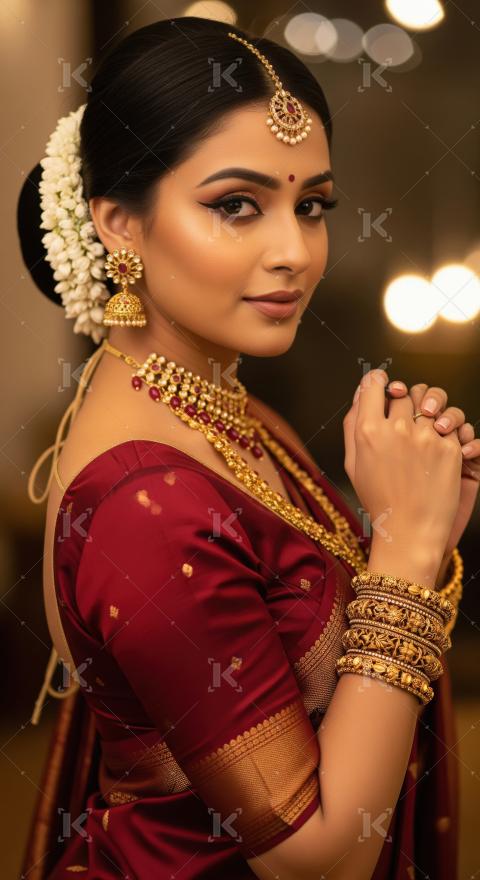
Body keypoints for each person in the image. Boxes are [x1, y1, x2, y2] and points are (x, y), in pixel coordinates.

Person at [16, 16, 479, 880]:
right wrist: (407, 556)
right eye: (236, 205)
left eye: (311, 206)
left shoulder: (222, 409)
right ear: (118, 223)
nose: (294, 251)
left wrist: (418, 521)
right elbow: (317, 860)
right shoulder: (145, 506)